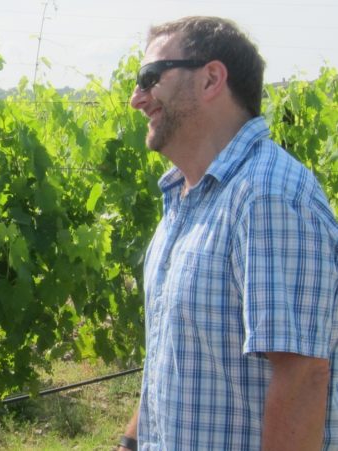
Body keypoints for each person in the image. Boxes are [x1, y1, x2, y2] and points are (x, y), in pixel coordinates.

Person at [117, 16, 338, 451]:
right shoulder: (186, 197)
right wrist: (132, 440)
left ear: (211, 78)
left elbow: (301, 379)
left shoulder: (268, 198)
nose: (136, 98)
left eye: (149, 78)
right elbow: (175, 351)